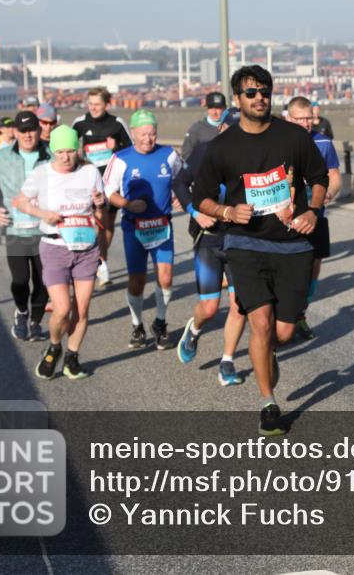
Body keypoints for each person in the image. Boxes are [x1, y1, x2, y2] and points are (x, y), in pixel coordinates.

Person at [192, 65, 328, 436]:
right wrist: (226, 211)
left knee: (282, 334)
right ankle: (268, 403)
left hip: (293, 245)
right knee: (261, 323)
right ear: (237, 99)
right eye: (250, 92)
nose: (259, 98)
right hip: (245, 244)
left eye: (264, 91)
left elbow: (319, 177)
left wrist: (313, 211)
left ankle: (266, 355)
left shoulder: (293, 138)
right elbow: (199, 196)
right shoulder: (222, 147)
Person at [14, 125, 106, 380]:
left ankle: (72, 358)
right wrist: (43, 214)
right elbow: (20, 201)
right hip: (55, 247)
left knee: (83, 310)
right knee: (62, 309)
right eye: (60, 152)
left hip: (86, 249)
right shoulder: (42, 173)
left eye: (71, 151)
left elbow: (100, 213)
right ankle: (54, 346)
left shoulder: (89, 172)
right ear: (53, 151)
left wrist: (100, 205)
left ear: (78, 149)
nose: (66, 157)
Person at [172, 107, 247, 385]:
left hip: (241, 239)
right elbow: (180, 182)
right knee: (210, 307)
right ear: (222, 129)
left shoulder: (255, 156)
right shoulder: (204, 152)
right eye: (234, 129)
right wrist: (195, 212)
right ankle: (194, 329)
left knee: (240, 305)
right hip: (210, 236)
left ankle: (227, 362)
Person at [104, 109, 182, 350]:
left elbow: (182, 177)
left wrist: (179, 193)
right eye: (144, 134)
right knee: (137, 281)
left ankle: (160, 322)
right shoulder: (121, 158)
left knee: (166, 276)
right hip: (134, 228)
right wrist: (127, 204)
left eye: (153, 134)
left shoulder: (168, 154)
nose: (149, 139)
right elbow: (109, 191)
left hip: (161, 226)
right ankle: (137, 325)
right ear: (134, 134)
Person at [0, 111, 52, 341]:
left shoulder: (52, 155)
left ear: (39, 131)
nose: (28, 135)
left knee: (43, 281)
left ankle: (36, 322)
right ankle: (21, 311)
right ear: (15, 132)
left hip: (45, 230)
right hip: (15, 229)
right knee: (20, 280)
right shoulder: (0, 157)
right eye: (23, 130)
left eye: (32, 130)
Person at [286, 96, 342, 340]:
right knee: (289, 268)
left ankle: (300, 315)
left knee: (314, 266)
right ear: (289, 118)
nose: (307, 123)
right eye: (301, 119)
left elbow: (335, 176)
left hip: (317, 214)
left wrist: (329, 192)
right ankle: (284, 314)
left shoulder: (323, 142)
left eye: (309, 118)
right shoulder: (280, 142)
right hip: (287, 217)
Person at [73, 86, 131, 287]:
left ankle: (101, 261)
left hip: (111, 181)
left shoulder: (116, 124)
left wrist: (116, 147)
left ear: (107, 104)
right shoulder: (80, 123)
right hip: (88, 181)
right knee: (96, 221)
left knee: (107, 224)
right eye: (90, 104)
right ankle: (100, 263)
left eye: (97, 104)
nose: (93, 108)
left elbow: (131, 150)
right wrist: (78, 156)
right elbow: (70, 149)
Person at [181, 91, 228, 161]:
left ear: (225, 108)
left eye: (218, 108)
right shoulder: (197, 129)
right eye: (211, 108)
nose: (214, 112)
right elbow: (186, 154)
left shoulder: (233, 127)